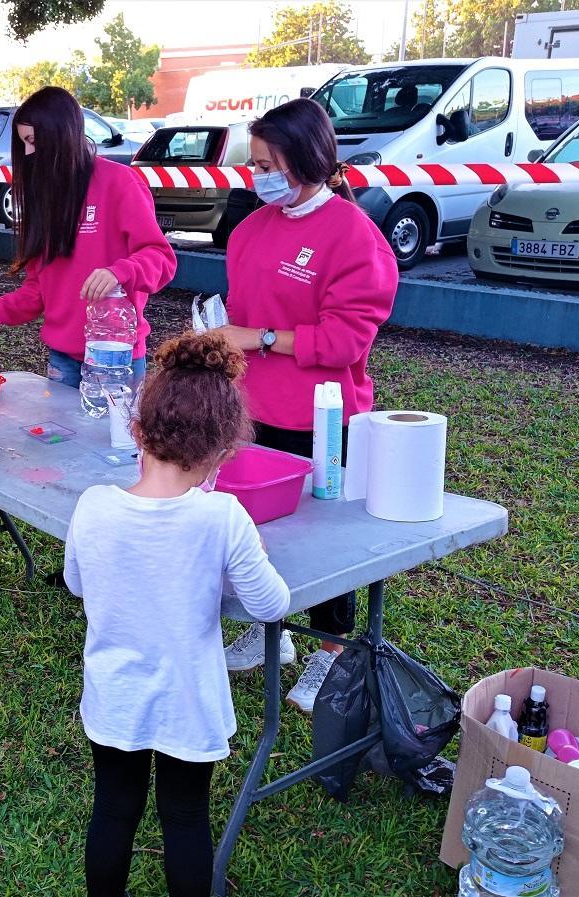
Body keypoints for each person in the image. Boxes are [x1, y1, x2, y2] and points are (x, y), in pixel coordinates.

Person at [65, 330, 290, 897]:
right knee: (185, 820)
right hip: (188, 701)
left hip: (115, 694)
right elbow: (272, 605)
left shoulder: (93, 506)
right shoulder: (223, 518)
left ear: (139, 430)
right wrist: (248, 555)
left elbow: (75, 582)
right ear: (221, 451)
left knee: (114, 811)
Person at [216, 98, 398, 713]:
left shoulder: (353, 236)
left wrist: (261, 338)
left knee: (325, 541)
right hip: (252, 410)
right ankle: (269, 630)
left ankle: (330, 652)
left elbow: (348, 340)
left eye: (271, 164)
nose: (259, 175)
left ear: (310, 159)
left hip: (324, 418)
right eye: (255, 163)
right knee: (259, 528)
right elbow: (240, 313)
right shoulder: (249, 231)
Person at [0, 86, 176, 387]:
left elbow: (162, 259)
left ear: (60, 134)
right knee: (67, 434)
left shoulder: (119, 182)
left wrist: (119, 272)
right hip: (62, 357)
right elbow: (38, 288)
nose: (28, 153)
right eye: (24, 143)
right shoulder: (44, 195)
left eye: (33, 141)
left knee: (116, 435)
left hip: (115, 354)